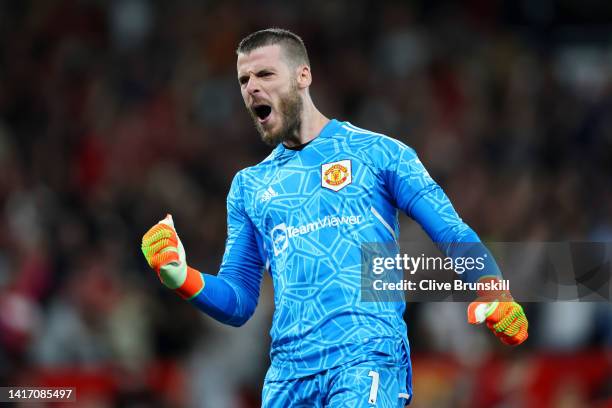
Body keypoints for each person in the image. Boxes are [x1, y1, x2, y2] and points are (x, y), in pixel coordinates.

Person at [141, 28, 528, 407]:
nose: (251, 88)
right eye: (243, 79)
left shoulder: (378, 153)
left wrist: (496, 291)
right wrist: (180, 276)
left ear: (303, 76)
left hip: (366, 358)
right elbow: (240, 300)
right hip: (288, 378)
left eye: (264, 74)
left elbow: (450, 230)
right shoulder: (249, 187)